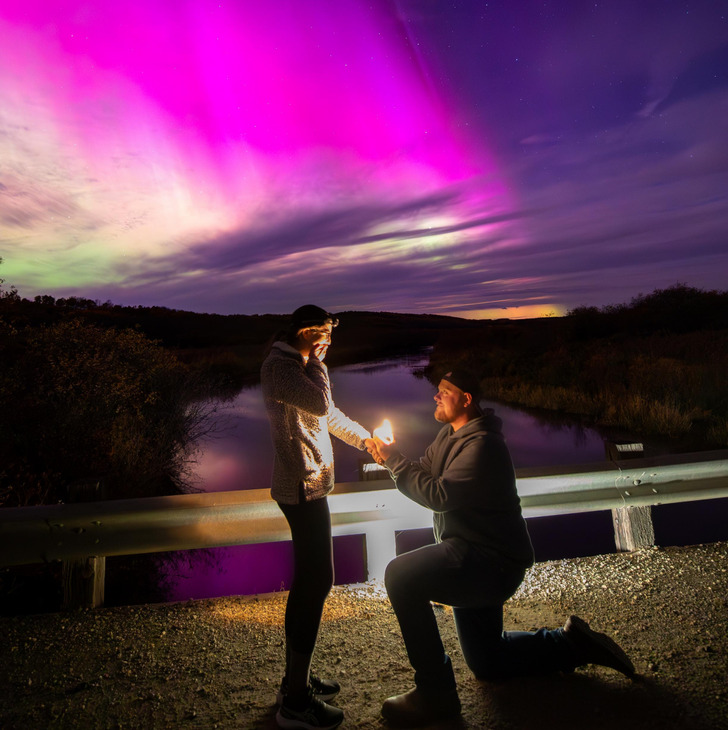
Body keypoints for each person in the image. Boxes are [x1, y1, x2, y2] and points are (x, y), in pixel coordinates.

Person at [369, 369, 635, 727]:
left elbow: (439, 495)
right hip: (473, 554)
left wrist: (395, 461)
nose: (436, 396)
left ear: (466, 399)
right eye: (437, 389)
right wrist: (391, 458)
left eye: (445, 391)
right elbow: (425, 473)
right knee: (488, 661)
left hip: (489, 563)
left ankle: (435, 694)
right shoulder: (450, 434)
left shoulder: (483, 446)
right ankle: (571, 644)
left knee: (400, 576)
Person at [261, 304, 377, 730]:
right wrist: (317, 362)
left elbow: (327, 415)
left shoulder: (298, 366)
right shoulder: (281, 368)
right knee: (315, 583)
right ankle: (295, 701)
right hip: (301, 488)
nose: (329, 343)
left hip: (311, 486)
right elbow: (319, 400)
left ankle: (295, 680)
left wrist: (366, 440)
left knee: (311, 583)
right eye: (324, 335)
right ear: (306, 332)